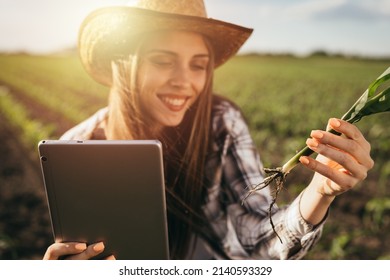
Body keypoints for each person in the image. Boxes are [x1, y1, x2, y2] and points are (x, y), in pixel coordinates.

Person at [43, 0, 374, 260]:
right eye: (162, 60)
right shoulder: (78, 147)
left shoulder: (221, 122)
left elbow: (256, 241)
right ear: (124, 63)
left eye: (198, 65)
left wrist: (320, 192)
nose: (184, 81)